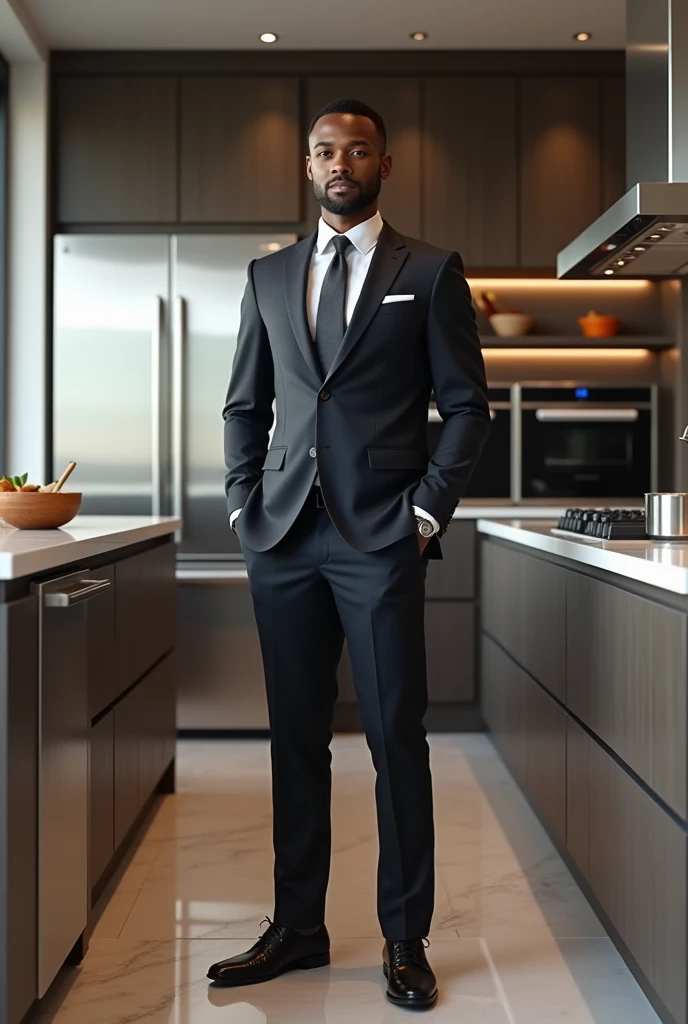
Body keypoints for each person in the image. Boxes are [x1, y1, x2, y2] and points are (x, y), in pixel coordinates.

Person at [208, 98, 490, 1011]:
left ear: (384, 164)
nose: (341, 162)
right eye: (326, 150)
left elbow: (468, 409)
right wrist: (244, 504)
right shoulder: (268, 275)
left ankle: (404, 939)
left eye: (357, 149)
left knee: (394, 741)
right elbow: (244, 404)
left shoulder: (432, 271)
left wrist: (426, 513)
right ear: (307, 165)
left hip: (381, 538)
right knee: (295, 740)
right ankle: (299, 926)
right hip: (284, 535)